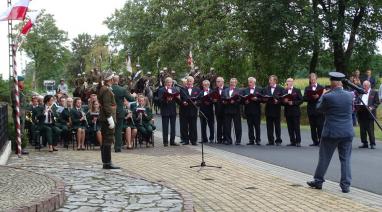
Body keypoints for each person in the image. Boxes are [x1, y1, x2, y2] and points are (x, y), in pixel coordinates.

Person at [307, 72, 354, 193]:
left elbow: (319, 108)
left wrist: (323, 95)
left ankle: (318, 181)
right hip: (347, 131)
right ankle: (345, 185)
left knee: (324, 157)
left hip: (331, 132)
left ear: (332, 83)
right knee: (345, 159)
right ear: (341, 83)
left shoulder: (328, 96)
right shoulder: (350, 95)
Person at [98, 70, 119, 169]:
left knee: (106, 140)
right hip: (107, 118)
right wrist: (110, 119)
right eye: (113, 77)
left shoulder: (104, 88)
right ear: (110, 79)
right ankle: (107, 162)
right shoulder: (106, 90)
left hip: (105, 117)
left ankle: (106, 162)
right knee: (108, 140)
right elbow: (107, 106)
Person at [111, 75, 136, 152]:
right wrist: (133, 95)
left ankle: (107, 146)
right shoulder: (122, 89)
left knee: (109, 129)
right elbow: (131, 99)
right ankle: (117, 147)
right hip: (119, 111)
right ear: (118, 80)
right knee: (118, 130)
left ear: (112, 80)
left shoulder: (108, 89)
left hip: (109, 111)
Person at [303, 73, 325, 146]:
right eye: (311, 79)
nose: (312, 81)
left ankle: (321, 141)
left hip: (319, 110)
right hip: (311, 110)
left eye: (314, 79)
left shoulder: (321, 87)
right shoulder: (307, 88)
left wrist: (318, 96)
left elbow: (325, 98)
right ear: (309, 80)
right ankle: (315, 141)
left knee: (320, 126)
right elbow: (304, 98)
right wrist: (311, 97)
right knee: (312, 127)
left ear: (316, 79)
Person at [357, 80, 379, 149]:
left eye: (366, 86)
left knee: (370, 129)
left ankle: (372, 143)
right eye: (364, 85)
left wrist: (372, 107)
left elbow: (377, 102)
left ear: (369, 86)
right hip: (361, 112)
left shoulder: (374, 92)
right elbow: (358, 100)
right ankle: (364, 143)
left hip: (369, 113)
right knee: (362, 130)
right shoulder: (361, 92)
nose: (364, 87)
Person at [157, 77, 179, 146]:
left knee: (173, 127)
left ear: (172, 83)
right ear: (165, 83)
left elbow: (177, 100)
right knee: (165, 127)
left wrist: (178, 99)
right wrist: (166, 99)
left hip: (173, 110)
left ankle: (172, 141)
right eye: (168, 82)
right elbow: (159, 100)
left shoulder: (175, 89)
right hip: (165, 110)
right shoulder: (161, 90)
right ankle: (165, 142)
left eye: (170, 82)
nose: (169, 83)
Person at [241, 77, 262, 145]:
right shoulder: (245, 90)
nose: (249, 83)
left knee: (257, 126)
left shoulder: (259, 89)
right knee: (250, 126)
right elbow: (242, 99)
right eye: (248, 82)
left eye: (250, 82)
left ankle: (258, 140)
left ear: (254, 82)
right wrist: (245, 101)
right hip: (248, 110)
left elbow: (262, 99)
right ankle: (251, 140)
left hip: (256, 111)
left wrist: (257, 99)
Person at [179, 76, 200, 145]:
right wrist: (183, 102)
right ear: (186, 82)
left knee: (193, 126)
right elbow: (180, 100)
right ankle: (185, 140)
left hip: (193, 110)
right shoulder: (182, 89)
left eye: (190, 81)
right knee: (184, 126)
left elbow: (200, 99)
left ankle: (193, 140)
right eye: (188, 81)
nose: (189, 82)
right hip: (184, 110)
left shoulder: (197, 89)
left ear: (193, 82)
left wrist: (196, 102)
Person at [282, 78, 303, 147]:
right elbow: (281, 102)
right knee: (290, 127)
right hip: (288, 111)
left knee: (296, 127)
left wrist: (293, 102)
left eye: (290, 81)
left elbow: (301, 100)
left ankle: (298, 141)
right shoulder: (284, 91)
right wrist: (284, 102)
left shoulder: (297, 90)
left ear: (292, 82)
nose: (289, 82)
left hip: (295, 111)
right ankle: (292, 141)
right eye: (287, 81)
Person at [263, 75, 284, 146]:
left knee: (277, 126)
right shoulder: (266, 88)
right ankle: (270, 140)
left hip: (276, 110)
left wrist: (277, 101)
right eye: (269, 80)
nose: (269, 81)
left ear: (275, 81)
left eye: (271, 80)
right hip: (268, 109)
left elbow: (283, 99)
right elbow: (263, 98)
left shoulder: (280, 88)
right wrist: (264, 99)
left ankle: (278, 140)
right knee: (269, 126)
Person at [222, 78, 242, 145]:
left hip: (236, 110)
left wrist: (234, 101)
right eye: (231, 82)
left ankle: (238, 140)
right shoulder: (225, 90)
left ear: (236, 83)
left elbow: (240, 100)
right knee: (227, 126)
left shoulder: (239, 91)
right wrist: (224, 102)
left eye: (233, 82)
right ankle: (228, 140)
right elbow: (222, 98)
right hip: (227, 110)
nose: (232, 83)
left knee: (237, 126)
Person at [214, 77, 227, 144]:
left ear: (222, 82)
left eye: (219, 81)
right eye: (217, 81)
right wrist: (214, 100)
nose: (217, 83)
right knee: (219, 125)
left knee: (225, 125)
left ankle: (225, 138)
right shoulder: (215, 90)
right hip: (218, 109)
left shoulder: (227, 88)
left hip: (225, 109)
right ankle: (219, 139)